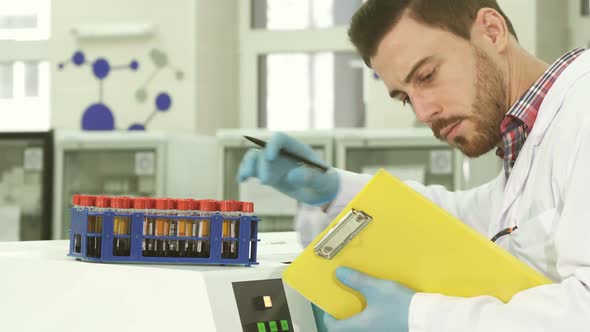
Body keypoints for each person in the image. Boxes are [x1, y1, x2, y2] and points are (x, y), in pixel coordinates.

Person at [237, 0, 590, 331]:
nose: (423, 113)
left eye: (427, 75)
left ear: (492, 31)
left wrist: (421, 317)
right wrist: (332, 188)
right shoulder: (531, 141)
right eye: (406, 97)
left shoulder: (583, 111)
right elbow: (464, 218)